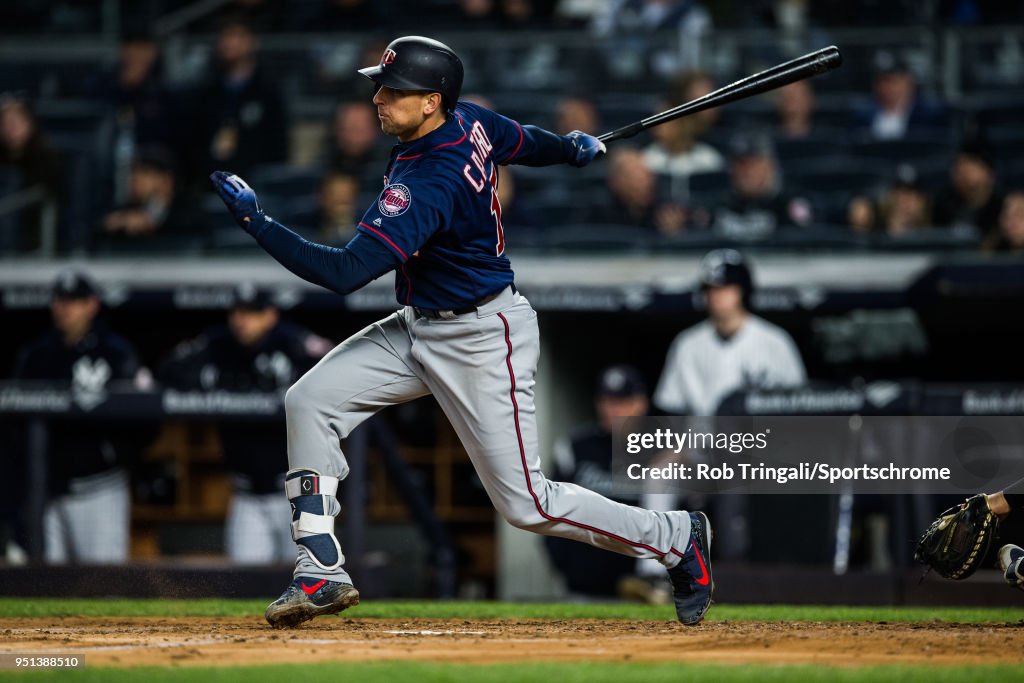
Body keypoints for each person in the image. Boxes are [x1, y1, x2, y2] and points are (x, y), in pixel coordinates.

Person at [210, 35, 713, 629]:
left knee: (528, 505)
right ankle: (320, 566)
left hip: (480, 336)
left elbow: (342, 273)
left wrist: (257, 222)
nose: (379, 97)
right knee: (310, 400)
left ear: (431, 101)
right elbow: (521, 140)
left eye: (395, 91)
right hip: (420, 324)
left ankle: (675, 536)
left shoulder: (431, 175)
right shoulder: (467, 118)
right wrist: (569, 150)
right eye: (381, 85)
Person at [158, 284, 332, 565]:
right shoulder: (219, 343)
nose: (243, 320)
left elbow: (333, 367)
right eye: (238, 312)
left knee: (309, 579)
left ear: (271, 315)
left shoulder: (292, 342)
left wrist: (289, 387)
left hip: (299, 493)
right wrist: (209, 381)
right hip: (246, 495)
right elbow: (169, 368)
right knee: (246, 584)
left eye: (253, 313)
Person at [654, 249, 806, 559]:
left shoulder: (774, 343)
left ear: (742, 291)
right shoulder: (688, 344)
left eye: (724, 288)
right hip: (702, 449)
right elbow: (671, 409)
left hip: (763, 451)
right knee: (658, 473)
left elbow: (802, 409)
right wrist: (674, 448)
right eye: (711, 289)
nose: (717, 296)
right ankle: (654, 572)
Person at [12, 270, 149, 564]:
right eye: (60, 300)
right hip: (47, 492)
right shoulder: (36, 355)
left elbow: (146, 417)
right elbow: (15, 426)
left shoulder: (115, 353)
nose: (65, 307)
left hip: (100, 489)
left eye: (74, 300)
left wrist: (118, 456)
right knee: (46, 588)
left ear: (92, 305)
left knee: (104, 587)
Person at [544, 366, 650, 599]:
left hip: (643, 591)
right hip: (582, 586)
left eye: (622, 401)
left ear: (641, 403)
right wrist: (568, 568)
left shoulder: (661, 450)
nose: (613, 409)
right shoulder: (576, 446)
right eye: (607, 401)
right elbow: (549, 509)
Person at [190, 17, 287, 185]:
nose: (230, 43)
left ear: (252, 42)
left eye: (237, 36)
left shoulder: (268, 93)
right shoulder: (206, 93)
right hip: (212, 185)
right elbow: (195, 141)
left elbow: (278, 147)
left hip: (256, 188)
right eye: (225, 36)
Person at [697, 131, 812, 240]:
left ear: (770, 166)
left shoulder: (787, 206)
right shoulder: (715, 208)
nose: (747, 171)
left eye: (754, 164)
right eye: (741, 164)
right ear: (731, 168)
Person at [96, 147, 207, 251]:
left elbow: (195, 242)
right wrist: (112, 225)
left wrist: (153, 226)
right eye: (133, 172)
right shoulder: (127, 211)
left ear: (166, 179)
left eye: (145, 173)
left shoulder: (188, 210)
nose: (135, 179)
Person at [0, 94, 63, 252]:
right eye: (5, 122)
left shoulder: (46, 159)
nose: (11, 128)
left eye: (16, 121)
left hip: (30, 236)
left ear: (30, 122)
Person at [589, 147, 686, 236]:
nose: (646, 183)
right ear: (616, 181)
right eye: (635, 177)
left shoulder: (665, 209)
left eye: (646, 175)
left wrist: (674, 233)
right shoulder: (598, 211)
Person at [932, 140, 1004, 239]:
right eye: (958, 167)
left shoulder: (1002, 208)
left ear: (989, 172)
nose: (963, 172)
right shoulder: (943, 206)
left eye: (971, 165)